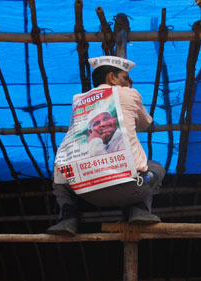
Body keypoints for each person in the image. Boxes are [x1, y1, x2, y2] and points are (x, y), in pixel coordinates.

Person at [47, 55, 165, 236]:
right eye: (126, 78)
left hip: (86, 191)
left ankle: (68, 217)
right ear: (111, 78)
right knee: (156, 167)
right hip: (134, 187)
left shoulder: (78, 101)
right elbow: (146, 125)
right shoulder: (129, 93)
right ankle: (139, 209)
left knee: (59, 173)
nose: (130, 83)